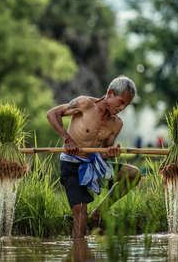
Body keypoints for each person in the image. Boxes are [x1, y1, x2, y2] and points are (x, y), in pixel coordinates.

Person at [46, 75, 141, 239]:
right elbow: (52, 114)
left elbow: (104, 153)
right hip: (72, 165)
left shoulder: (117, 124)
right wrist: (67, 139)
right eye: (121, 102)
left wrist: (111, 152)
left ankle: (100, 212)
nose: (122, 108)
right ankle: (78, 249)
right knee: (81, 218)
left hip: (95, 165)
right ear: (110, 93)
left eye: (126, 105)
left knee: (133, 174)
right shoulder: (85, 104)